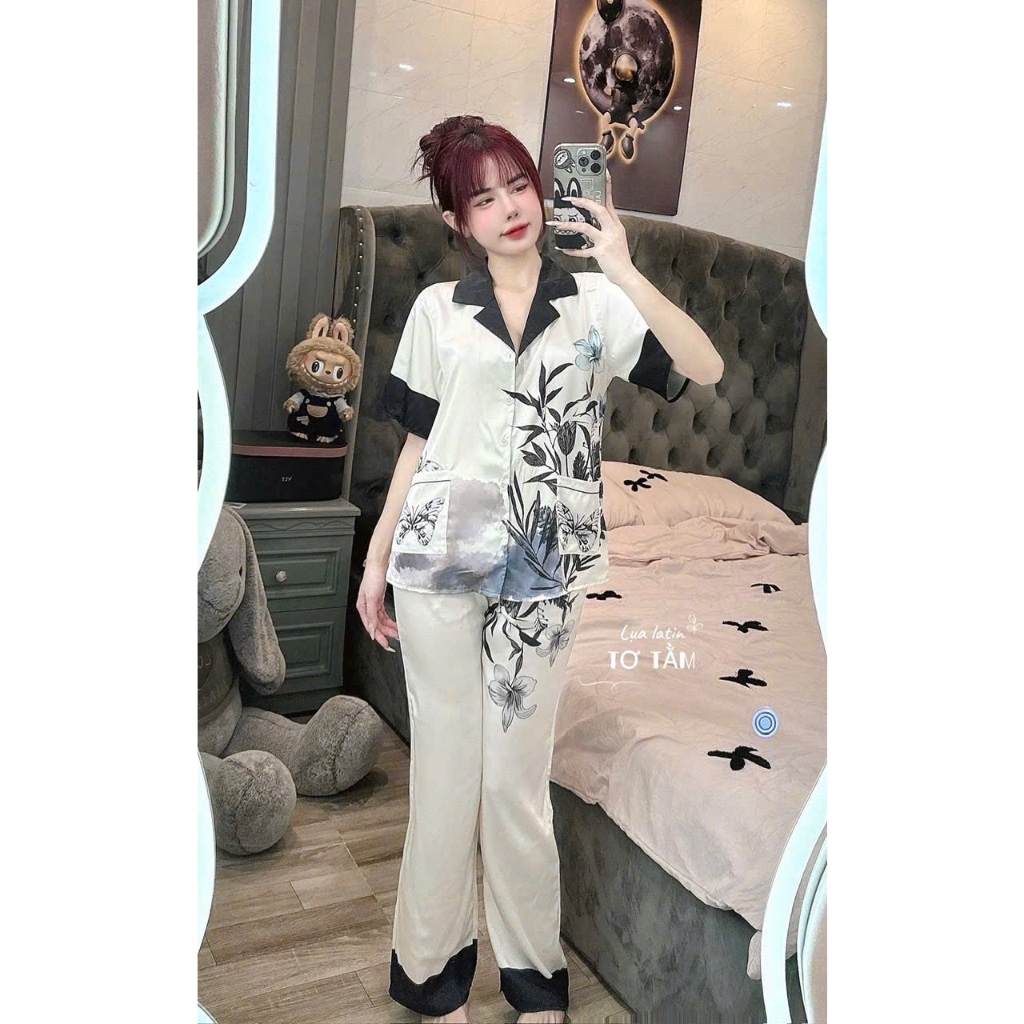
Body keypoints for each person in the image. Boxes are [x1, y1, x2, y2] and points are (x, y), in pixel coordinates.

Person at [356, 115, 723, 1024]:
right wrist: (376, 559)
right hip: (439, 559)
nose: (510, 207)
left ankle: (532, 979)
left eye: (519, 184)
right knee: (446, 778)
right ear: (458, 222)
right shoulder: (437, 312)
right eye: (483, 198)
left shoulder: (597, 303)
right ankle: (432, 979)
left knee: (515, 782)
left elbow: (706, 367)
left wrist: (624, 265)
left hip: (546, 566)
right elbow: (416, 447)